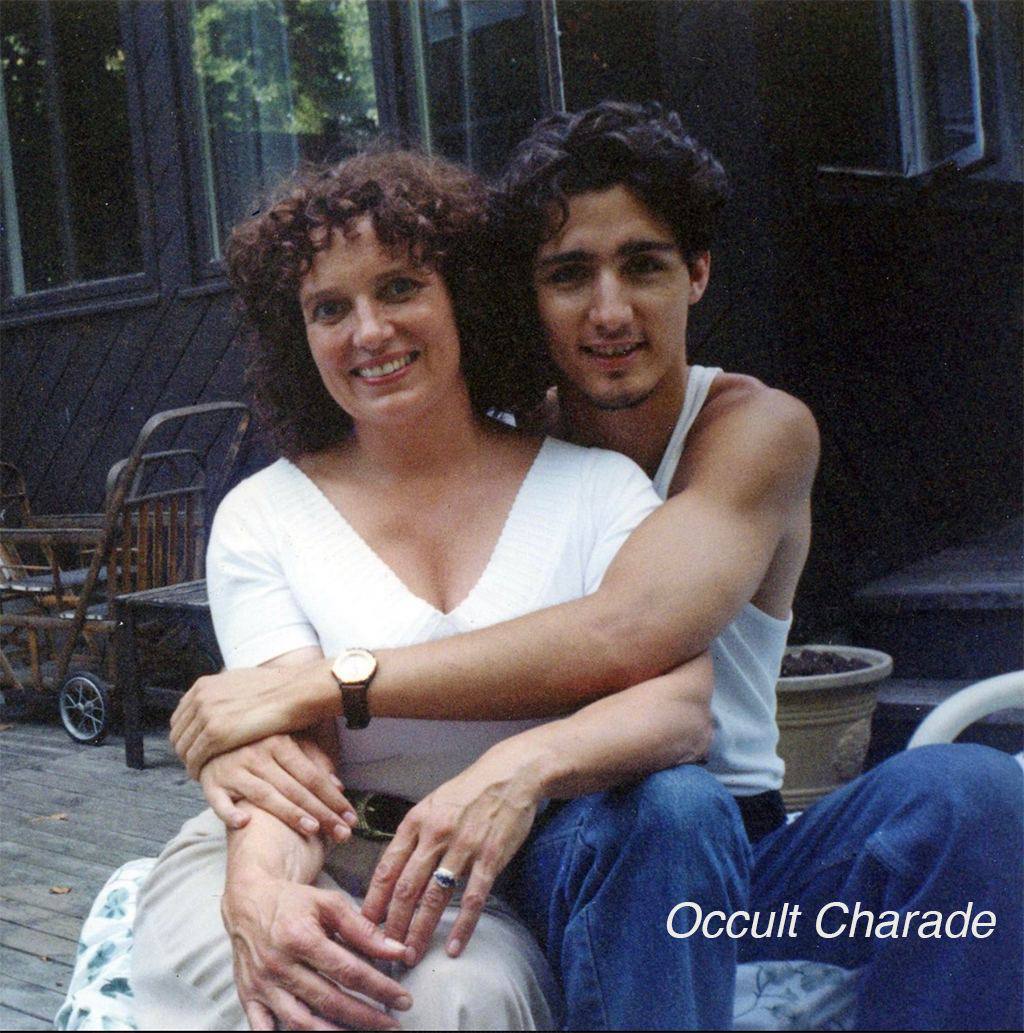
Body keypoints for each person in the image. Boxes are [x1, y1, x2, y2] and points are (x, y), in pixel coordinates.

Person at [174, 103, 1023, 1032]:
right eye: (569, 274)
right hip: (579, 841)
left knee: (973, 793)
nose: (609, 312)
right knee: (666, 810)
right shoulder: (507, 450)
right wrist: (250, 751)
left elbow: (632, 632)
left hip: (737, 860)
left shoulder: (752, 430)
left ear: (697, 272)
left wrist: (333, 686)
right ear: (525, 295)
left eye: (644, 266)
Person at [133, 147, 723, 1031]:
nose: (368, 331)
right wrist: (262, 893)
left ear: (463, 298)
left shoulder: (596, 490)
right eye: (329, 308)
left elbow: (681, 707)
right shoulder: (264, 514)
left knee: (452, 1004)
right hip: (309, 849)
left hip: (471, 880)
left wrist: (514, 769)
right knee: (302, 997)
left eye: (400, 287)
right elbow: (291, 750)